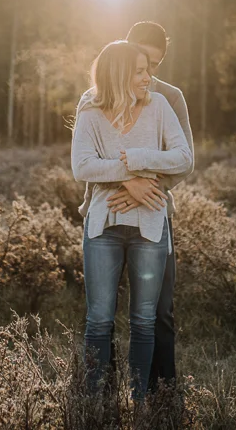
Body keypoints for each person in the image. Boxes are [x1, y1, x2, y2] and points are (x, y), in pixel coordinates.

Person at [71, 39, 193, 401]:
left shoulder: (158, 106)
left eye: (148, 69)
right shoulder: (90, 111)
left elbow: (184, 158)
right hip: (102, 229)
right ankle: (95, 404)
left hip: (150, 227)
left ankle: (139, 401)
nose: (147, 78)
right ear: (121, 74)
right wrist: (128, 178)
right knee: (99, 321)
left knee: (144, 321)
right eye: (140, 71)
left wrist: (138, 159)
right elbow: (82, 166)